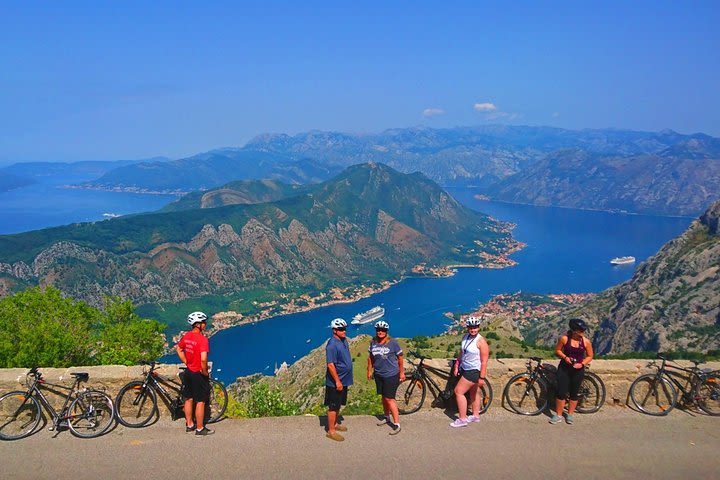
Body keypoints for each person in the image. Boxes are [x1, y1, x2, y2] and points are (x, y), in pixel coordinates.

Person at [175, 311, 214, 436]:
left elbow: (179, 349)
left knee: (188, 399)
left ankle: (189, 424)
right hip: (197, 373)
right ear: (198, 324)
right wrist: (205, 372)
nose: (205, 324)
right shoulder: (203, 340)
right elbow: (203, 359)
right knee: (201, 401)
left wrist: (186, 361)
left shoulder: (187, 336)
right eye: (204, 322)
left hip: (188, 372)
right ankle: (200, 428)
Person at [550, 318, 594, 425]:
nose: (583, 334)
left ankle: (570, 414)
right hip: (564, 368)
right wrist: (565, 357)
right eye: (580, 331)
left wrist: (582, 363)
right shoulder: (564, 339)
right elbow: (558, 350)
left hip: (578, 369)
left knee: (574, 393)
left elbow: (590, 356)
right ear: (574, 331)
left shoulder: (586, 342)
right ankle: (559, 415)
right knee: (561, 392)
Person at [450, 317, 489, 428]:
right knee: (474, 393)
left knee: (458, 392)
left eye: (475, 327)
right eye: (471, 327)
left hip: (474, 370)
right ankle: (475, 416)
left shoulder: (481, 341)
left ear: (479, 327)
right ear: (468, 328)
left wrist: (482, 377)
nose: (473, 330)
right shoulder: (465, 337)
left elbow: (484, 361)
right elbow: (462, 352)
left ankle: (462, 419)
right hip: (466, 368)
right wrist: (457, 365)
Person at [367, 320, 405, 435]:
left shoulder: (393, 343)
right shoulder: (373, 342)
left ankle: (397, 423)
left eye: (383, 330)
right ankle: (386, 417)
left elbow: (400, 358)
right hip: (379, 374)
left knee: (390, 399)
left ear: (386, 331)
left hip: (391, 375)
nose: (380, 332)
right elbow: (370, 358)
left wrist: (402, 372)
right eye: (378, 329)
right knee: (383, 397)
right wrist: (369, 370)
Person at [325, 318, 353, 441]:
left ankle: (335, 424)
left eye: (345, 329)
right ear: (334, 331)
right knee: (333, 406)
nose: (344, 331)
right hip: (336, 382)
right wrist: (337, 381)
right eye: (341, 329)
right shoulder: (331, 345)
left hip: (344, 380)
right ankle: (331, 431)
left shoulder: (343, 340)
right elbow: (330, 364)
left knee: (338, 404)